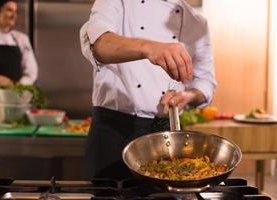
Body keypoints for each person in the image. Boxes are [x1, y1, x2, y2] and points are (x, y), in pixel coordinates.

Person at [80, 0, 217, 180]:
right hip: (114, 132)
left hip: (166, 137)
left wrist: (188, 96)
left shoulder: (197, 22)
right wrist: (149, 48)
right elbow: (99, 44)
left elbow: (206, 82)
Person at [0, 0, 38, 122]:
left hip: (17, 102)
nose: (13, 15)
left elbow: (31, 71)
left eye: (15, 11)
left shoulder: (22, 39)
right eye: (9, 10)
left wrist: (19, 87)